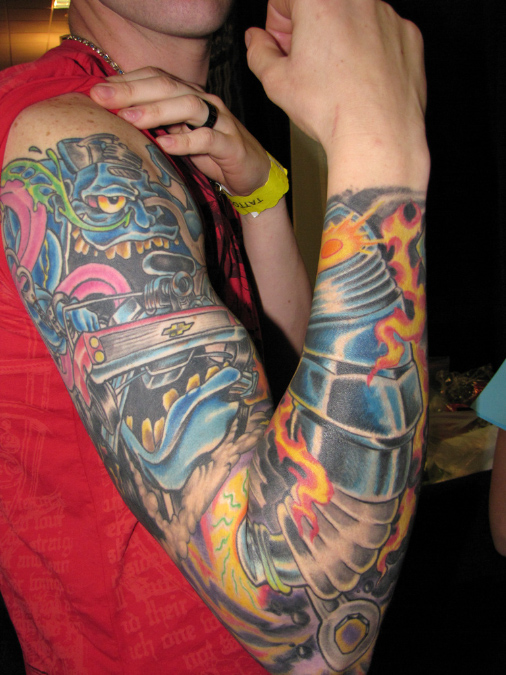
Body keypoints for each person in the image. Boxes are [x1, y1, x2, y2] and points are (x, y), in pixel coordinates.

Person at [0, 0, 430, 673]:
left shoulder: (170, 133)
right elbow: (308, 617)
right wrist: (381, 139)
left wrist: (260, 197)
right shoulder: (69, 139)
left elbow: (304, 398)